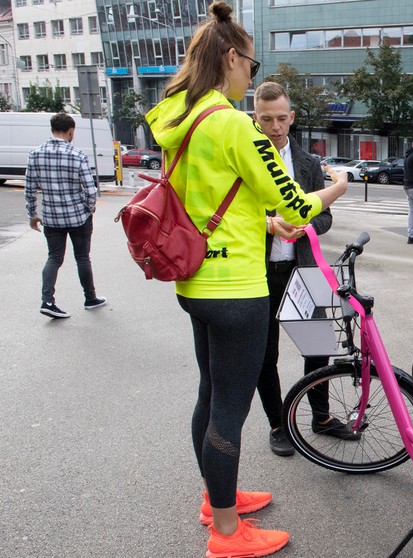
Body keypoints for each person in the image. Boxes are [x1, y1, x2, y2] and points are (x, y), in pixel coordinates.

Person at [144, 3, 343, 555]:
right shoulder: (232, 123)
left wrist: (261, 218)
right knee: (230, 410)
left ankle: (217, 500)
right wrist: (337, 188)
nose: (251, 77)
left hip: (195, 282)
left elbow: (211, 198)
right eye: (250, 66)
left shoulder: (175, 116)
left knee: (211, 394)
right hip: (236, 287)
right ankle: (227, 534)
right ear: (231, 58)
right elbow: (299, 206)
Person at [252, 81, 349, 458]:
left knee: (319, 346)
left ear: (291, 117)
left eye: (281, 118)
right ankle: (278, 424)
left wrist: (307, 226)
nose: (275, 127)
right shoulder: (248, 158)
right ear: (255, 119)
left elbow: (324, 215)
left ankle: (320, 417)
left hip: (304, 267)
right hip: (259, 273)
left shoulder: (308, 163)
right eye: (266, 119)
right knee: (265, 355)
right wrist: (268, 223)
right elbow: (235, 215)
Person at [25, 112, 105, 319]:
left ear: (52, 129)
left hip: (51, 217)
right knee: (82, 258)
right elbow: (90, 189)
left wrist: (33, 214)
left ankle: (48, 301)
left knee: (53, 258)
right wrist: (89, 210)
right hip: (78, 216)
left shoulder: (35, 154)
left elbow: (29, 189)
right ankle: (90, 298)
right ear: (71, 131)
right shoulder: (77, 155)